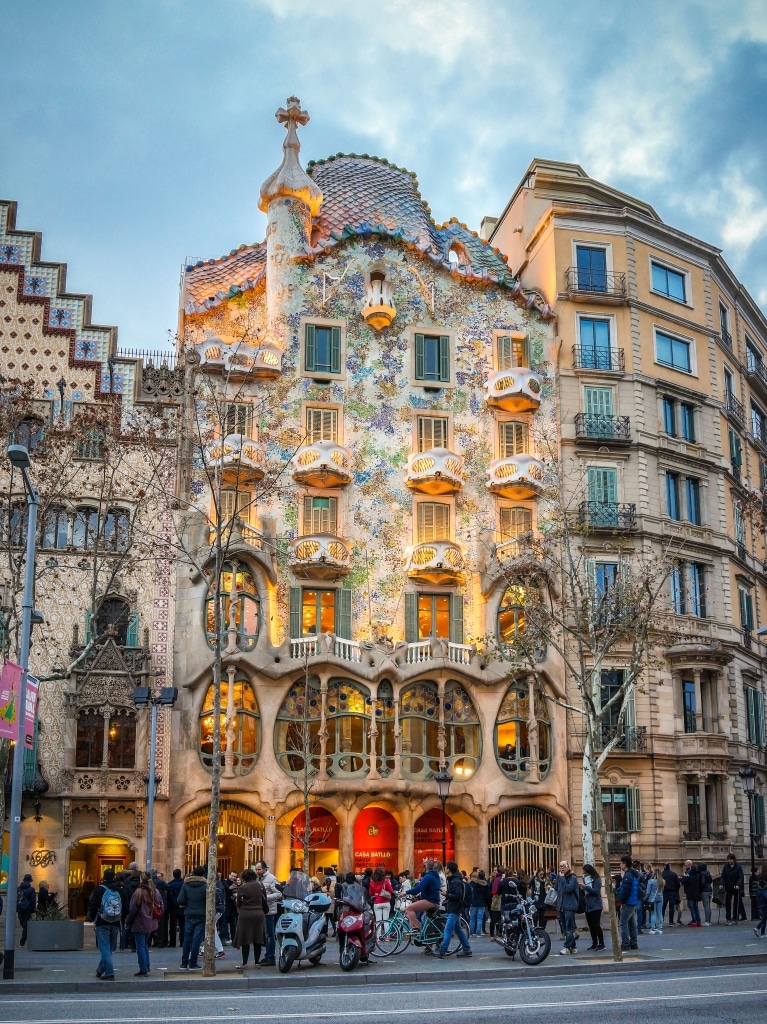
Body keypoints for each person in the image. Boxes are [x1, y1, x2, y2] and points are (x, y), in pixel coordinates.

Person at [86, 868, 123, 981]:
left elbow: (93, 904)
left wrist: (90, 917)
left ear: (103, 877)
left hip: (102, 921)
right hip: (116, 921)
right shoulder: (120, 889)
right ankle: (100, 969)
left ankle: (109, 972)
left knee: (105, 948)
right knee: (110, 948)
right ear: (114, 877)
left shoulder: (99, 889)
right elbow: (125, 905)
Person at [124, 871, 159, 976]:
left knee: (140, 946)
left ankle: (143, 968)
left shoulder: (139, 892)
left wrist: (128, 922)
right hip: (151, 922)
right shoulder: (155, 891)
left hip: (140, 922)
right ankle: (146, 965)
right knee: (145, 945)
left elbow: (133, 909)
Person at [434, 861, 471, 959]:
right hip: (453, 908)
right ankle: (467, 949)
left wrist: (447, 894)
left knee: (448, 930)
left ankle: (442, 950)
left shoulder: (456, 881)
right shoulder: (452, 880)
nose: (445, 869)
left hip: (455, 908)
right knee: (458, 930)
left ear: (449, 870)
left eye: (446, 867)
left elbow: (458, 896)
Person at [234, 868, 266, 969]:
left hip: (245, 914)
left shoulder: (242, 888)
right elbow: (264, 899)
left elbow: (238, 902)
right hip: (258, 914)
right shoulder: (260, 885)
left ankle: (245, 963)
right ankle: (257, 962)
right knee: (258, 938)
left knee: (245, 939)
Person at [177, 865, 207, 970]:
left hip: (189, 914)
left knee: (187, 939)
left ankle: (184, 962)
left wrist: (185, 904)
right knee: (197, 940)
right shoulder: (206, 885)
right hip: (201, 914)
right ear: (203, 874)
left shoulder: (186, 884)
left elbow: (180, 900)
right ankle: (193, 962)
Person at [255, 859, 282, 966]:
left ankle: (271, 957)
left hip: (269, 911)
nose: (257, 871)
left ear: (265, 869)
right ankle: (267, 955)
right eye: (256, 869)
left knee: (270, 935)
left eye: (259, 869)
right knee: (266, 935)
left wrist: (265, 898)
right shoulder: (258, 879)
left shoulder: (272, 879)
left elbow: (278, 893)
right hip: (262, 910)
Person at [404, 859, 441, 934]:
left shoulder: (428, 876)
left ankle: (416, 929)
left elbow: (418, 888)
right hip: (435, 901)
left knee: (409, 909)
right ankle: (425, 938)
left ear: (426, 867)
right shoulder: (436, 876)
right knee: (426, 922)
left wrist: (405, 892)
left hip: (429, 901)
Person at [617, 855, 640, 951]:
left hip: (628, 902)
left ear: (625, 864)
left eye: (621, 863)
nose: (620, 865)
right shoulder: (634, 874)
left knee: (623, 923)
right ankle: (634, 943)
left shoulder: (627, 875)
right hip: (633, 901)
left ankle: (625, 944)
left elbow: (626, 890)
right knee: (632, 923)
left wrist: (622, 900)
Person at [556, 860, 579, 955]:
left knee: (568, 928)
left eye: (563, 866)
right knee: (565, 928)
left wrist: (561, 879)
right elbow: (556, 888)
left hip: (570, 906)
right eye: (560, 866)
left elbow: (568, 889)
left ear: (568, 866)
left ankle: (567, 947)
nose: (561, 868)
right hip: (562, 906)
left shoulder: (573, 877)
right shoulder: (561, 877)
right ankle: (573, 947)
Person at [582, 865, 604, 951]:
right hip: (588, 905)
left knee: (596, 925)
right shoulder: (586, 879)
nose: (583, 873)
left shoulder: (597, 880)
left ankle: (601, 943)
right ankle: (594, 943)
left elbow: (596, 892)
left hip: (596, 905)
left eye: (585, 872)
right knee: (591, 925)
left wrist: (585, 887)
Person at [722, 854, 746, 924]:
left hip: (736, 887)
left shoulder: (738, 866)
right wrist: (721, 884)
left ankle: (736, 918)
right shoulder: (726, 867)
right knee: (728, 903)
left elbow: (741, 877)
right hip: (728, 887)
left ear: (734, 859)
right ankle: (728, 918)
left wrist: (738, 885)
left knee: (736, 903)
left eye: (730, 859)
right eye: (728, 859)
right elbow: (723, 876)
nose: (729, 861)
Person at [166, 868, 185, 947]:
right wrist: (182, 904)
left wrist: (176, 904)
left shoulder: (170, 884)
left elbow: (170, 897)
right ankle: (183, 942)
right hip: (183, 908)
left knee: (173, 926)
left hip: (173, 908)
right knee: (183, 926)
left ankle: (173, 942)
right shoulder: (184, 884)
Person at [16, 873, 37, 946]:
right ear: (30, 881)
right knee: (26, 926)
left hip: (20, 908)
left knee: (23, 924)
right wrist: (34, 909)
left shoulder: (18, 889)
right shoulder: (31, 889)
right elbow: (33, 900)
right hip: (28, 909)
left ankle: (24, 939)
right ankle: (22, 942)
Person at [469, 869, 488, 936]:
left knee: (472, 918)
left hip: (473, 902)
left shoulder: (471, 883)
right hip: (481, 902)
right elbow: (486, 893)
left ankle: (471, 932)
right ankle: (478, 932)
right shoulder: (484, 883)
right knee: (479, 918)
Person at [661, 863, 679, 927]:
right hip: (672, 892)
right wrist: (676, 890)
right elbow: (677, 884)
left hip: (664, 892)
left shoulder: (661, 874)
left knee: (663, 907)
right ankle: (671, 922)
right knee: (671, 908)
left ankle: (661, 921)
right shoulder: (674, 874)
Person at [753, 863, 767, 938]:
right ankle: (759, 929)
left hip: (760, 902)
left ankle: (761, 931)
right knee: (764, 918)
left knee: (764, 918)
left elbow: (755, 887)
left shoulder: (759, 877)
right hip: (764, 903)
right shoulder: (765, 878)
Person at [698, 862, 713, 926]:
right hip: (709, 889)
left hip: (704, 891)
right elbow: (711, 880)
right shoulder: (708, 873)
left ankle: (707, 921)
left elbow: (702, 882)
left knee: (706, 906)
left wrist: (700, 888)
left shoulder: (701, 873)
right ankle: (708, 921)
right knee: (708, 906)